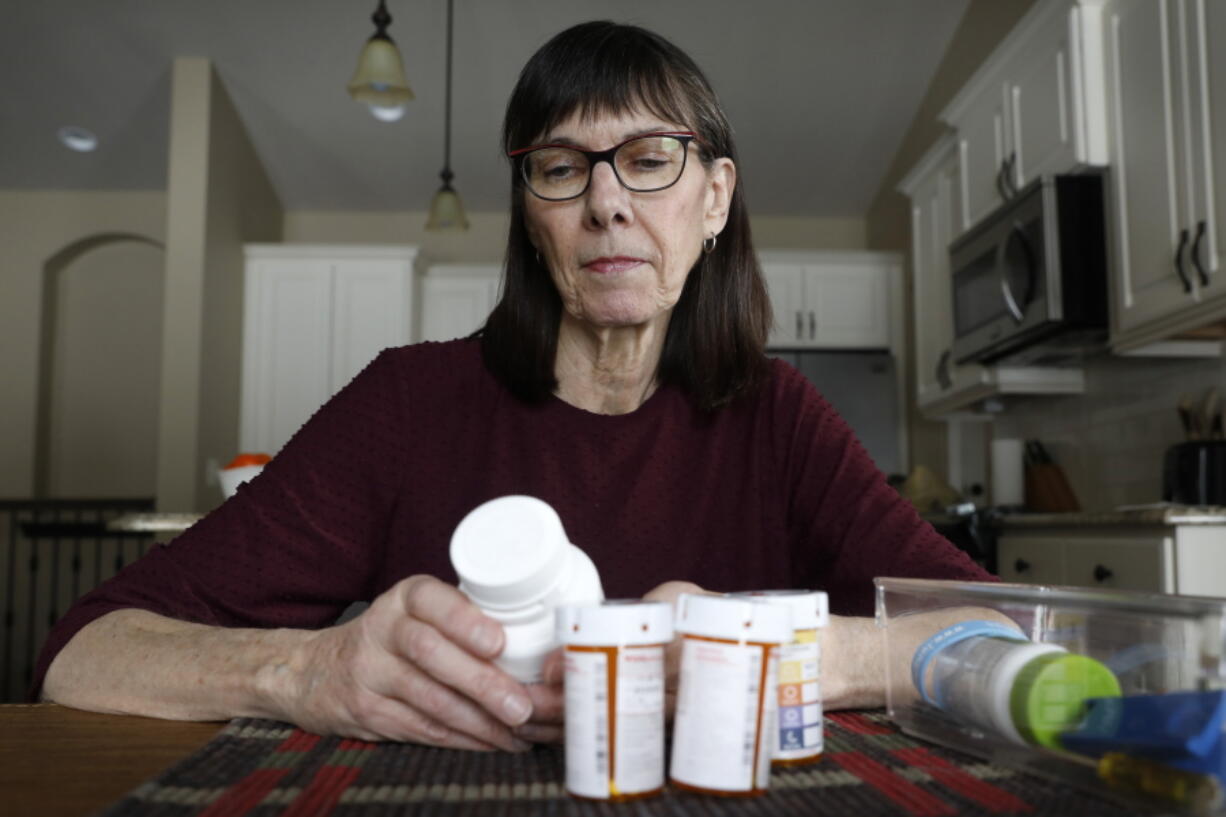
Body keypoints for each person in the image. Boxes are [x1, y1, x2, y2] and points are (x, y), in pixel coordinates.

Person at [36, 21, 993, 751]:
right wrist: (307, 668)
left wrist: (776, 654)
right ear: (533, 217)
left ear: (715, 198)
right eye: (562, 168)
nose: (607, 202)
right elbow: (85, 653)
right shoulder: (408, 404)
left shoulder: (777, 419)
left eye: (651, 161)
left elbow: (993, 629)